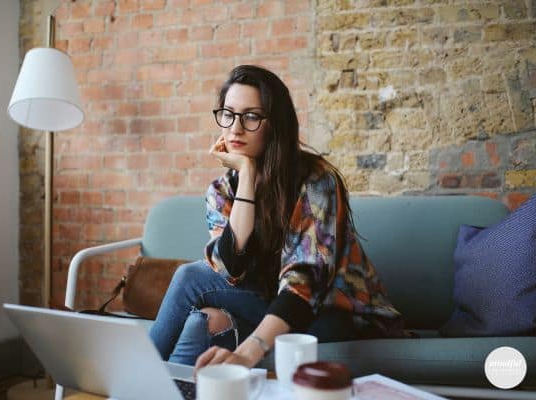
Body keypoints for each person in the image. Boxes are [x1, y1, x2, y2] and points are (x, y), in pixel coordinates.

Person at [148, 65, 403, 371]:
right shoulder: (221, 190)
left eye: (251, 116)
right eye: (228, 114)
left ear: (274, 124)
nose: (235, 128)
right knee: (198, 316)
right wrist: (247, 176)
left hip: (335, 311)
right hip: (270, 304)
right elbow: (230, 269)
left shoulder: (317, 180)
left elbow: (304, 284)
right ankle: (145, 385)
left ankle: (137, 380)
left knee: (194, 288)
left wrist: (247, 353)